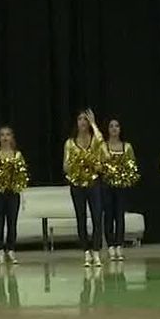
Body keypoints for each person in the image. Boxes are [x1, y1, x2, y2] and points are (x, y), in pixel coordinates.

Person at [64, 109, 105, 267]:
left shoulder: (95, 140)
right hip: (77, 184)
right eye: (80, 119)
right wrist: (76, 165)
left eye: (86, 119)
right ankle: (86, 251)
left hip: (93, 183)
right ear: (76, 122)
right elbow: (65, 167)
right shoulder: (70, 143)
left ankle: (96, 251)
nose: (83, 122)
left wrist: (94, 124)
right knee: (80, 217)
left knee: (97, 217)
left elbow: (101, 143)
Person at [100, 118, 137, 262]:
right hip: (107, 185)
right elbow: (99, 165)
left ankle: (119, 245)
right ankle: (110, 246)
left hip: (121, 186)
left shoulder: (127, 147)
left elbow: (132, 164)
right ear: (107, 129)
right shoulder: (103, 147)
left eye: (117, 126)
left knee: (119, 216)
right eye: (111, 126)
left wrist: (124, 175)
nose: (114, 129)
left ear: (120, 129)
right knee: (108, 215)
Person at [0, 125, 28, 264]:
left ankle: (11, 249)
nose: (5, 138)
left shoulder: (17, 155)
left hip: (13, 192)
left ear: (12, 138)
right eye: (2, 135)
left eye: (8, 135)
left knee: (12, 222)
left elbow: (23, 173)